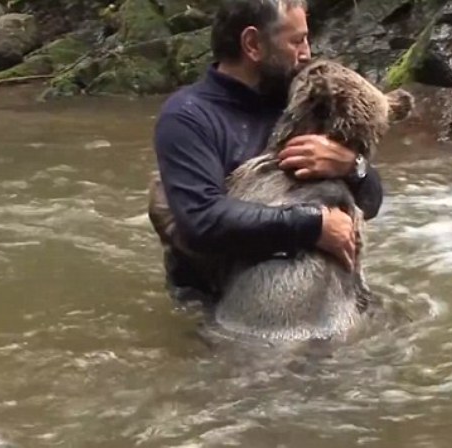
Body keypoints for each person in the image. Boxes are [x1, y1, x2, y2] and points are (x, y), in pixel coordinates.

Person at [149, 0, 384, 305]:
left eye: (306, 39)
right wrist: (314, 226)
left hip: (316, 288)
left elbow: (372, 203)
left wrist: (353, 166)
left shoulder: (303, 102)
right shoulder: (188, 117)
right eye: (296, 41)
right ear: (252, 44)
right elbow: (201, 221)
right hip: (217, 300)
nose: (307, 53)